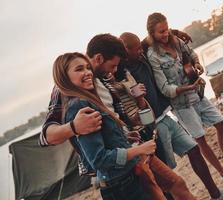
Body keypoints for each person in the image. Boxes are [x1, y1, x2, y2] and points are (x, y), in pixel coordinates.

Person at [52, 52, 197, 200]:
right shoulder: (79, 106)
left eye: (88, 68)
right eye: (79, 69)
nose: (88, 72)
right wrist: (138, 149)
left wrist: (122, 137)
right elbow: (99, 160)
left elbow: (103, 139)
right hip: (120, 184)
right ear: (64, 77)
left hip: (128, 173)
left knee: (174, 185)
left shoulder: (89, 98)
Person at [118, 32, 223, 199]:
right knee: (164, 171)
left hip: (165, 115)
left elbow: (153, 35)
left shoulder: (143, 57)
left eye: (140, 47)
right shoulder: (121, 74)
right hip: (150, 125)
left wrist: (175, 32)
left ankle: (217, 195)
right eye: (136, 50)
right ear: (125, 51)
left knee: (193, 150)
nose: (141, 51)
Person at [146, 12, 223, 189]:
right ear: (152, 33)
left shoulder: (176, 40)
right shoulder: (153, 56)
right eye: (161, 32)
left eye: (166, 29)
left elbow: (192, 55)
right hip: (181, 104)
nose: (166, 34)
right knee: (201, 139)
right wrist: (185, 88)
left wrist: (197, 64)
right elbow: (165, 89)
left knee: (221, 124)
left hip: (197, 93)